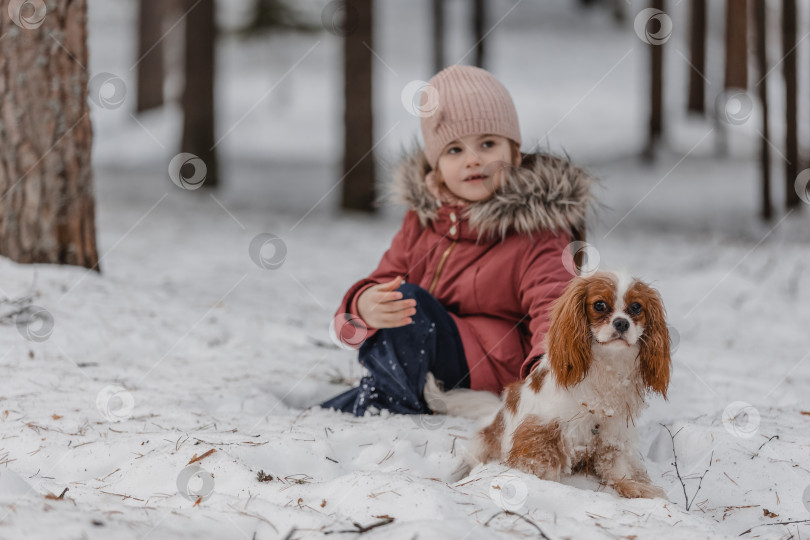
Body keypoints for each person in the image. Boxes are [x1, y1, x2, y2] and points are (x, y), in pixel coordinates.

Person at [322, 65, 594, 416]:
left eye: (487, 143)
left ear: (514, 152)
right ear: (435, 168)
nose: (473, 159)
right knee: (391, 300)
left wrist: (547, 379)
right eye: (454, 150)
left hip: (495, 375)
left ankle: (386, 407)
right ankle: (380, 399)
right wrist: (361, 308)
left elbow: (554, 308)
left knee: (408, 304)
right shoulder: (422, 222)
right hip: (421, 366)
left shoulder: (538, 229)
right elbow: (365, 308)